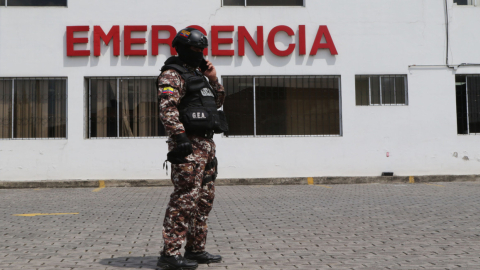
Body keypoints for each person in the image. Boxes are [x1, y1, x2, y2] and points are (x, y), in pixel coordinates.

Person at [156, 27, 227, 270]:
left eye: (202, 50)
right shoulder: (172, 74)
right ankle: (170, 253)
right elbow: (168, 108)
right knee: (185, 198)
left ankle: (195, 249)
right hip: (188, 144)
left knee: (204, 199)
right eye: (195, 49)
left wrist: (214, 79)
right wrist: (179, 136)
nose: (199, 53)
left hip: (207, 145)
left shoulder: (200, 75)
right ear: (183, 48)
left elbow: (215, 103)